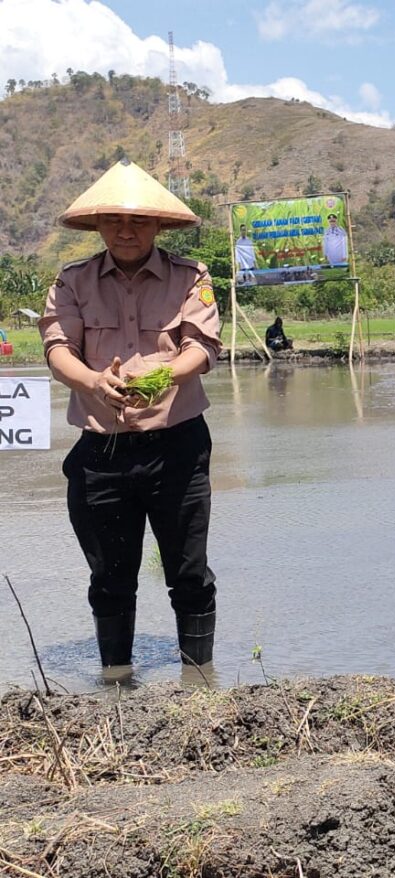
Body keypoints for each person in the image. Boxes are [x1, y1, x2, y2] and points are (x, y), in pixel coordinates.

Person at [38, 158, 223, 670]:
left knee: (189, 574)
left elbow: (203, 347)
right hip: (102, 453)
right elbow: (58, 350)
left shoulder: (192, 276)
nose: (126, 230)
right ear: (96, 226)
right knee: (110, 579)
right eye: (114, 220)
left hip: (178, 448)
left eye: (139, 220)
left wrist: (162, 378)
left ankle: (200, 690)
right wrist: (95, 381)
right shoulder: (72, 282)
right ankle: (116, 687)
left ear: (159, 225)